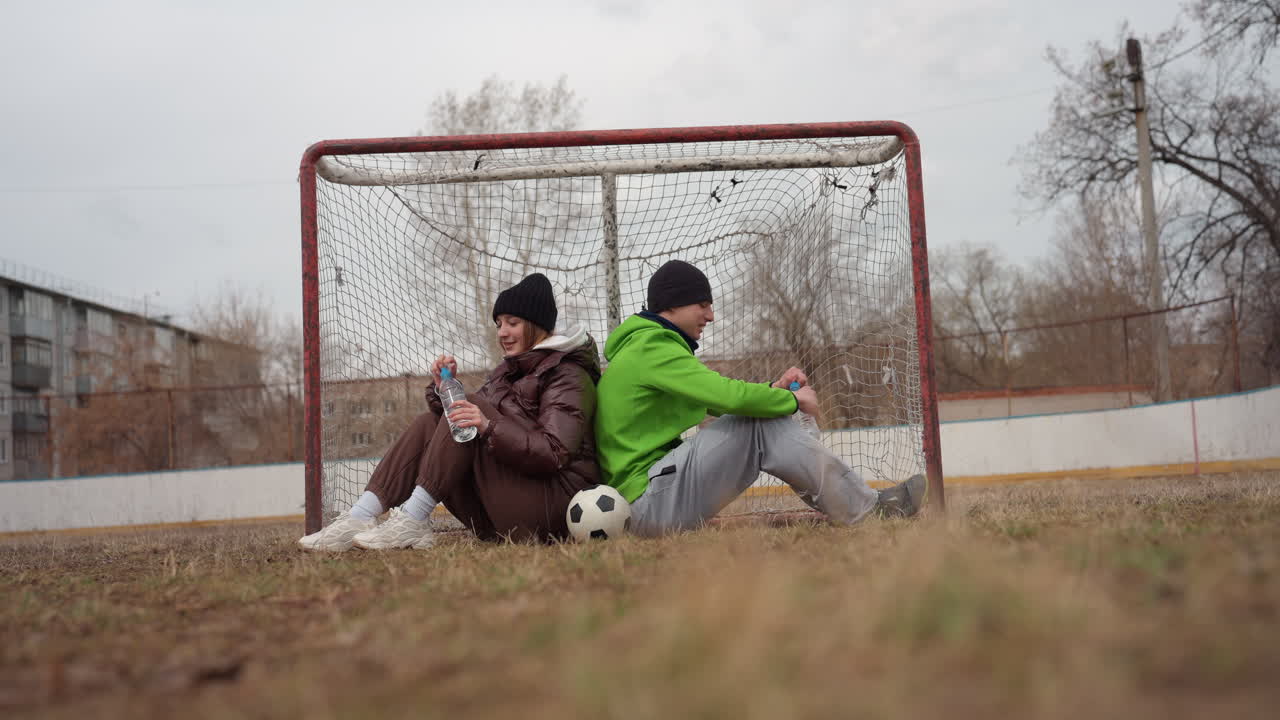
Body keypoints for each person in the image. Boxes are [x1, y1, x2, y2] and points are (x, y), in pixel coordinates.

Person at [594, 260, 926, 536]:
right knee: (758, 423)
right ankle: (867, 510)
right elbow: (729, 398)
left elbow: (721, 398)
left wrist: (776, 391)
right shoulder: (651, 348)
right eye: (703, 304)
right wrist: (794, 402)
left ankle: (860, 505)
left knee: (760, 418)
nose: (710, 316)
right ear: (672, 303)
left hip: (650, 499)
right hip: (646, 504)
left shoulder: (646, 348)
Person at [299, 273, 600, 551]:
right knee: (430, 422)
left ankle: (413, 520)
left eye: (512, 323)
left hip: (550, 509)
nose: (502, 333)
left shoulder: (568, 375)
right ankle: (361, 515)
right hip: (503, 511)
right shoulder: (505, 375)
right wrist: (445, 386)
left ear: (536, 325)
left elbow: (553, 452)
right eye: (499, 325)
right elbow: (457, 425)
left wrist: (488, 427)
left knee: (470, 408)